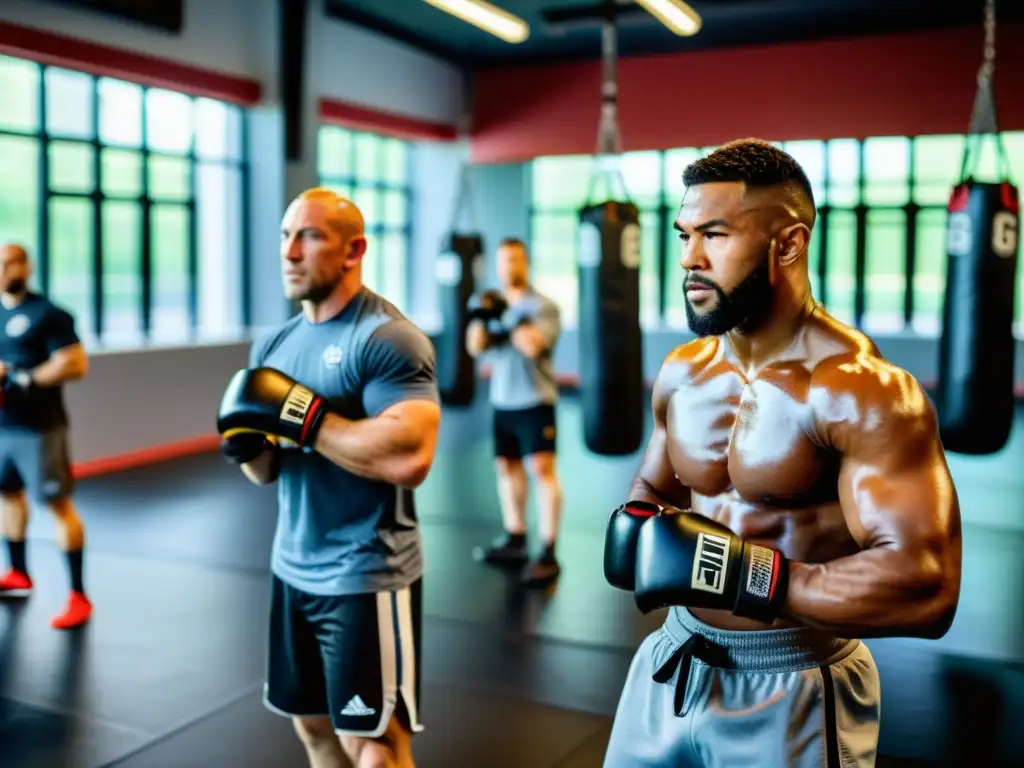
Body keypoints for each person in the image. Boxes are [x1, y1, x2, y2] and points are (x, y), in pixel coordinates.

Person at [602, 139, 962, 767]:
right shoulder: (683, 373)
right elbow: (656, 491)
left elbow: (925, 585)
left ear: (789, 244)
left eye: (714, 235)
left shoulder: (861, 392)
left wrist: (752, 576)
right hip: (674, 657)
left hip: (791, 681)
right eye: (684, 235)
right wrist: (635, 524)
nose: (689, 257)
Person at [216, 188, 441, 768]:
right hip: (291, 566)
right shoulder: (273, 344)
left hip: (367, 571)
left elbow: (410, 457)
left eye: (310, 236)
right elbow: (266, 475)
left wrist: (305, 417)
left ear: (352, 250)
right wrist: (244, 446)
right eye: (286, 236)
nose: (290, 251)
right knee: (313, 726)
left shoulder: (386, 338)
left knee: (374, 744)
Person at [0, 243, 91, 630]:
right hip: (3, 427)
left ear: (27, 266)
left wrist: (21, 377)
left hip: (41, 428)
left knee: (57, 506)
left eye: (9, 262)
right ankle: (19, 573)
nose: (3, 270)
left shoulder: (50, 314)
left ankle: (78, 595)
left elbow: (75, 364)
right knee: (8, 496)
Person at [465, 238, 564, 587]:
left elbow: (532, 345)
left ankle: (549, 549)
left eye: (516, 260)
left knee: (542, 469)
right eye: (504, 261)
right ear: (497, 265)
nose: (511, 267)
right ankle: (516, 538)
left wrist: (505, 314)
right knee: (506, 467)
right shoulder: (492, 302)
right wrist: (481, 316)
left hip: (535, 400)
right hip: (502, 401)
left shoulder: (543, 306)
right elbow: (475, 347)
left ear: (526, 262)